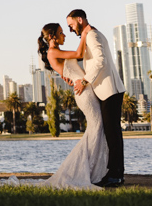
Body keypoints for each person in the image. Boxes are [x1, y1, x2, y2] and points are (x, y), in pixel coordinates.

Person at [38, 22, 108, 190]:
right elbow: (78, 53)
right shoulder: (53, 52)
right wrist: (85, 33)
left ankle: (94, 169)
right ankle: (87, 169)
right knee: (96, 126)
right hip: (83, 92)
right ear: (51, 37)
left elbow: (73, 63)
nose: (64, 35)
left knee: (97, 128)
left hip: (85, 89)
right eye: (61, 33)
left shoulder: (56, 52)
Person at [66, 9, 126, 188]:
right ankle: (115, 173)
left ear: (80, 19)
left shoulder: (92, 35)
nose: (70, 29)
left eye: (71, 25)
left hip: (110, 90)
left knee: (113, 134)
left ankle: (115, 175)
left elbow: (100, 60)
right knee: (111, 134)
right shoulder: (91, 34)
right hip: (105, 90)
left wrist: (84, 81)